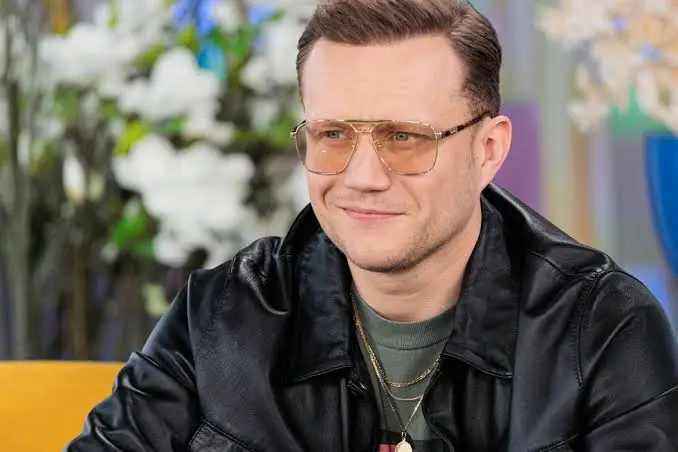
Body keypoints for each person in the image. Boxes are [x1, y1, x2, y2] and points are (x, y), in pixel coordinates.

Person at [66, 0, 678, 450]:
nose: (362, 177)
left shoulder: (601, 328)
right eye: (333, 134)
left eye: (404, 137)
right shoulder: (222, 315)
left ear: (488, 150)